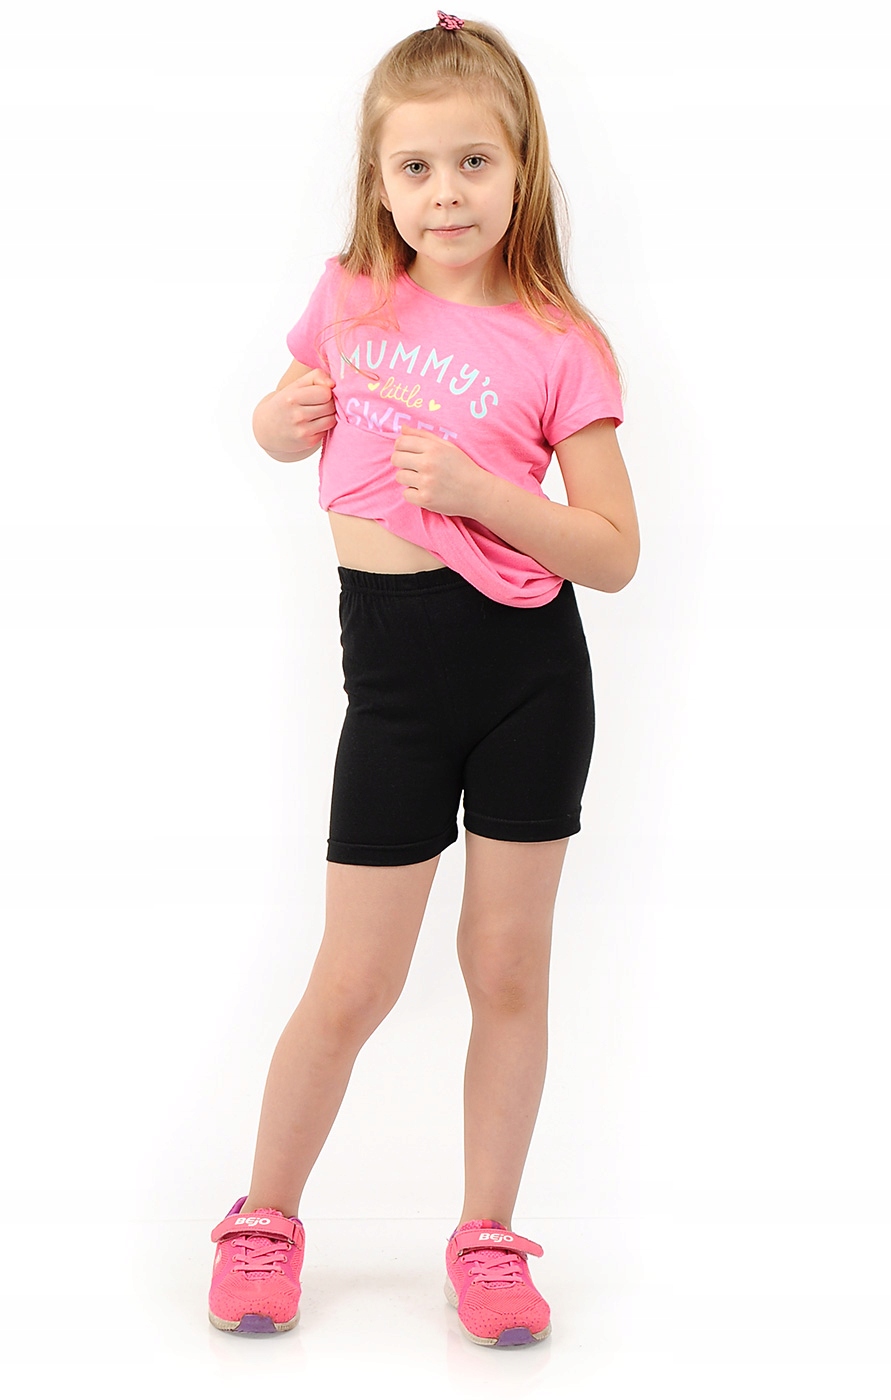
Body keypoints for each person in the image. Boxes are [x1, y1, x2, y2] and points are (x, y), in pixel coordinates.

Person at [208, 10, 639, 1349]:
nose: (445, 193)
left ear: (522, 169)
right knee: (355, 979)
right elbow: (283, 419)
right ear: (378, 181)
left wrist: (480, 490)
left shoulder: (562, 340)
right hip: (393, 687)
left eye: (473, 162)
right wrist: (274, 424)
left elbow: (614, 553)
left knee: (506, 967)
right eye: (416, 168)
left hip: (528, 681)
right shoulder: (352, 298)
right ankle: (263, 1218)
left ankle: (489, 1236)